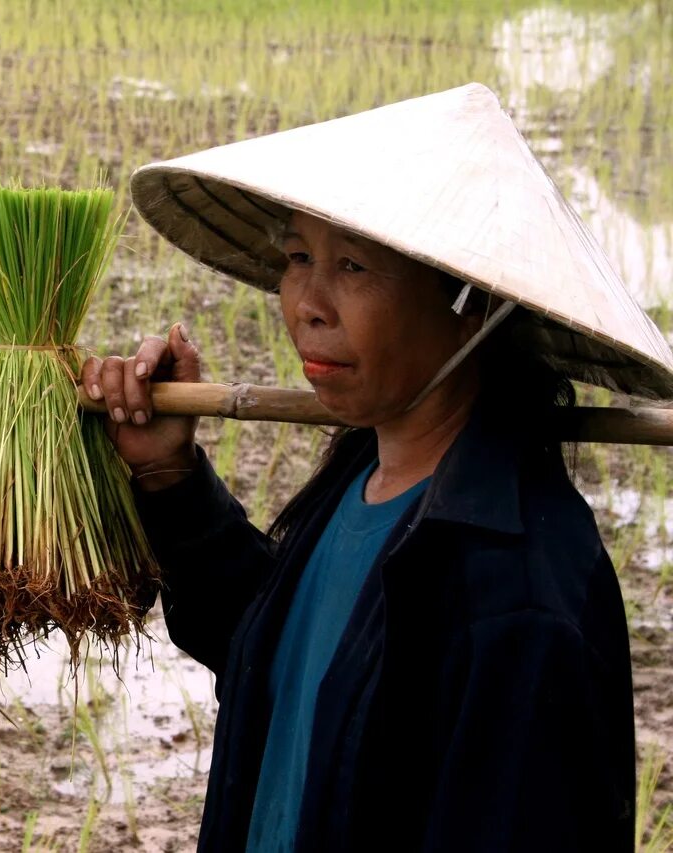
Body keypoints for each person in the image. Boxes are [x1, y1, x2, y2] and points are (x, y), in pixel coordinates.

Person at [81, 83, 673, 852]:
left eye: (353, 266)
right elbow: (287, 669)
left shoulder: (521, 589)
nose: (305, 304)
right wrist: (172, 475)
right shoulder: (363, 478)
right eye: (298, 257)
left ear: (471, 303)